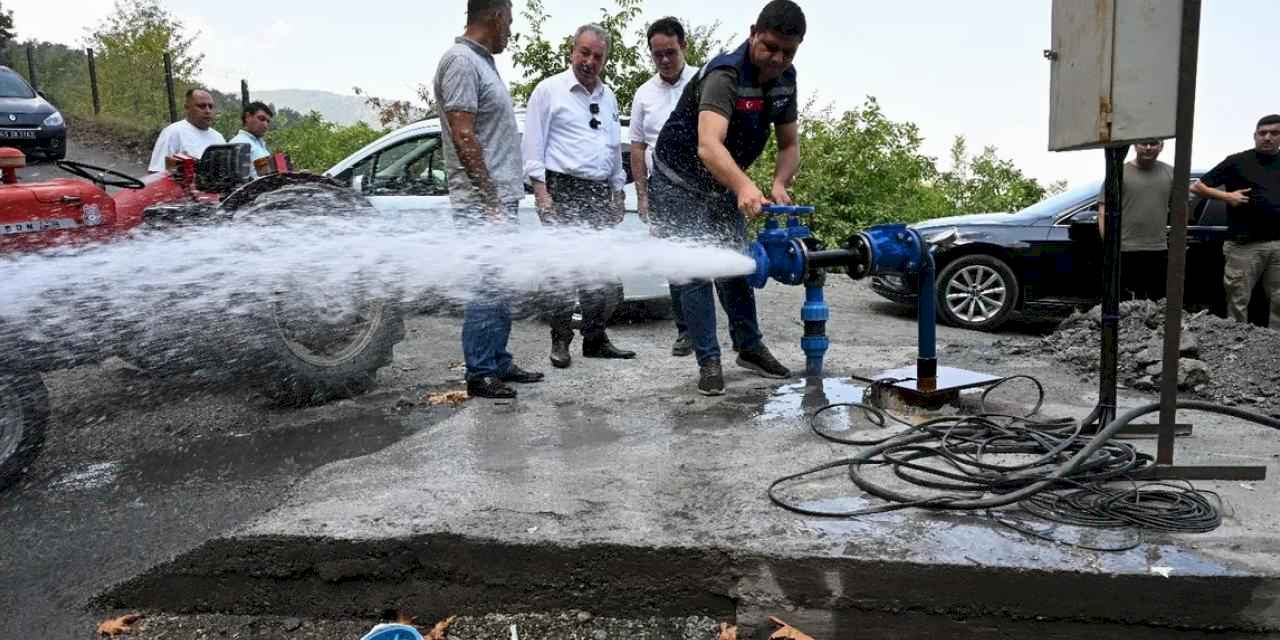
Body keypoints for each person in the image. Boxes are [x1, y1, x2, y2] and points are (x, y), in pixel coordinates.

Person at [650, 0, 803, 396]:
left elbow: (789, 145)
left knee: (737, 261)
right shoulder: (725, 74)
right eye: (770, 47)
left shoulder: (787, 80)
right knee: (696, 268)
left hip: (720, 183)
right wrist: (744, 186)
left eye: (789, 51)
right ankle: (709, 360)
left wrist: (780, 182)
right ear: (754, 32)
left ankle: (749, 347)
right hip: (676, 180)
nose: (778, 58)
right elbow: (708, 146)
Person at [434, 0, 544, 399]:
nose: (510, 31)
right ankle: (480, 371)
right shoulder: (461, 62)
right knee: (485, 284)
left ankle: (497, 360)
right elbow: (464, 135)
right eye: (510, 22)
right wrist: (491, 199)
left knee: (499, 285)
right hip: (482, 204)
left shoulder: (481, 62)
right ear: (496, 17)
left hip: (497, 200)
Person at [522, 23, 636, 369]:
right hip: (564, 189)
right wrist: (542, 193)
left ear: (604, 60)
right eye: (584, 52)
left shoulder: (609, 95)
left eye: (597, 56)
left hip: (600, 191)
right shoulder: (549, 90)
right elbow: (533, 146)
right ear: (572, 51)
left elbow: (613, 147)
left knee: (599, 271)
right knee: (563, 271)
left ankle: (595, 339)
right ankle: (560, 342)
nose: (589, 61)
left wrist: (617, 191)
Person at [629, 16, 702, 358]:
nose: (664, 60)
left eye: (670, 52)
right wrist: (643, 195)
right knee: (676, 262)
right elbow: (638, 147)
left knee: (718, 258)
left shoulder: (706, 81)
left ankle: (735, 333)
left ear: (684, 46)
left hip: (706, 185)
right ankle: (686, 331)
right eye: (657, 55)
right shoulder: (643, 94)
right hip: (664, 189)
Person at [1191, 114, 1280, 326]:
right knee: (1238, 300)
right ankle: (1237, 346)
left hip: (1278, 244)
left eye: (1274, 133)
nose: (1267, 137)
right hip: (1243, 245)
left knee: (1279, 300)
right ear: (1254, 136)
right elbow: (1197, 186)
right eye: (1262, 133)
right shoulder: (1237, 161)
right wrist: (1227, 197)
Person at [1097, 139, 1173, 301]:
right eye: (1143, 143)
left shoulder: (1171, 172)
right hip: (1124, 250)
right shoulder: (1118, 172)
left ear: (1161, 146)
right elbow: (1103, 209)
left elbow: (1181, 209)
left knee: (1156, 304)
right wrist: (1109, 243)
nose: (1148, 147)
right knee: (1125, 305)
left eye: (1153, 143)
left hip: (1158, 249)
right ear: (1134, 145)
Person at [147, 88, 226, 173]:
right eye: (201, 106)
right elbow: (156, 173)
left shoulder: (218, 138)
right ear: (187, 108)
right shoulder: (173, 132)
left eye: (210, 106)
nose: (208, 111)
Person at [228, 101, 274, 177]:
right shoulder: (238, 143)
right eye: (261, 119)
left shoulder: (260, 145)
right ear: (248, 117)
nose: (265, 125)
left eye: (268, 121)